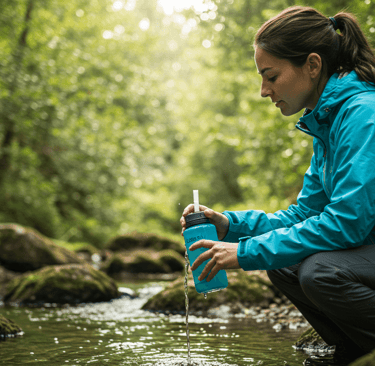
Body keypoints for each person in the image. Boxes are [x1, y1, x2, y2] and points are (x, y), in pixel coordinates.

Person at [180, 6, 375, 366]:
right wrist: (229, 225)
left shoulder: (363, 114)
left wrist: (242, 253)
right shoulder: (327, 121)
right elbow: (305, 214)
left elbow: (348, 222)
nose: (263, 90)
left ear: (312, 66)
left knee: (320, 272)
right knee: (283, 265)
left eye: (270, 76)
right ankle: (354, 348)